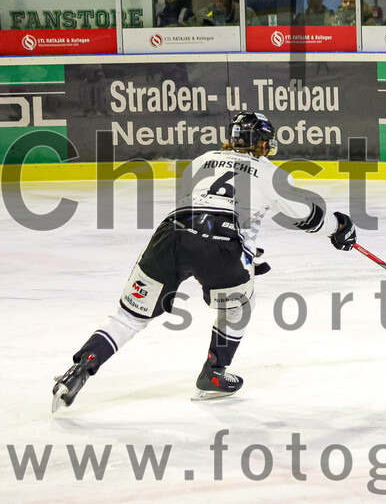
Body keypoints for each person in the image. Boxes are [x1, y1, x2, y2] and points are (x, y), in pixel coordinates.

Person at [51, 112, 358, 412]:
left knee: (128, 316)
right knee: (238, 307)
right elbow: (310, 217)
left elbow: (204, 207)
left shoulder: (200, 161)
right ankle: (213, 373)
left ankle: (78, 371)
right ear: (264, 145)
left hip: (171, 235)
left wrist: (246, 252)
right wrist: (341, 229)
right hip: (222, 246)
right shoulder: (269, 172)